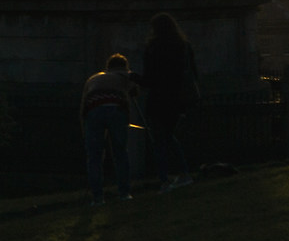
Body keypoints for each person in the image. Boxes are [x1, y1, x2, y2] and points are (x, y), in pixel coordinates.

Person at [136, 13, 200, 192]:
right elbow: (193, 73)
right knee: (169, 137)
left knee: (160, 140)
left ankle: (164, 179)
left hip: (159, 99)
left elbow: (149, 80)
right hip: (177, 99)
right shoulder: (184, 46)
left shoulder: (153, 48)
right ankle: (184, 173)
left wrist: (132, 77)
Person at [81, 53, 137, 206]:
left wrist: (83, 125)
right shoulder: (124, 75)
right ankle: (124, 193)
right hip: (115, 108)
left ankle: (97, 197)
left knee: (95, 156)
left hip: (93, 109)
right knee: (120, 152)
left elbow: (84, 102)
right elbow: (134, 91)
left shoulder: (94, 78)